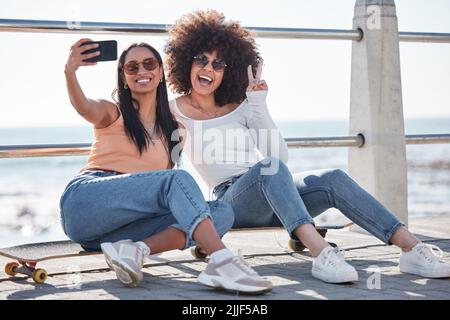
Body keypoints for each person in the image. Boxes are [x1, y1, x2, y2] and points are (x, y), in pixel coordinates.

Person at [164, 10, 450, 284]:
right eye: (201, 59)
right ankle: (323, 252)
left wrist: (258, 104)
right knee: (269, 170)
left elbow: (279, 158)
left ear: (229, 70)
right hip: (232, 200)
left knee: (331, 178)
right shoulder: (173, 111)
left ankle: (412, 249)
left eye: (219, 63)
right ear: (186, 61)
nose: (208, 68)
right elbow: (164, 161)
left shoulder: (243, 106)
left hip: (277, 190)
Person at [59, 38, 272, 293]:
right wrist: (69, 71)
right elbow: (82, 106)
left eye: (149, 64)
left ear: (160, 72)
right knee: (176, 180)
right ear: (123, 77)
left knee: (221, 212)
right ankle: (223, 262)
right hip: (86, 203)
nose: (141, 71)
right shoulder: (112, 112)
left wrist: (251, 104)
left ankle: (135, 250)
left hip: (116, 232)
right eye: (132, 67)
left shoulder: (175, 130)